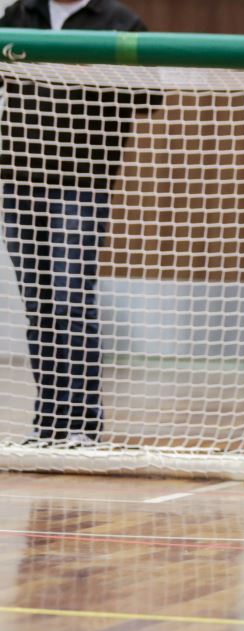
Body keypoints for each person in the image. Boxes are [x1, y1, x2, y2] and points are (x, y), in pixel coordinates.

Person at [0, 0, 150, 447]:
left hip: (81, 185)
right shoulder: (17, 16)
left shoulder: (121, 23)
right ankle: (48, 422)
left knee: (71, 298)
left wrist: (91, 76)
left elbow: (148, 96)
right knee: (39, 307)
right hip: (19, 181)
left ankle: (84, 424)